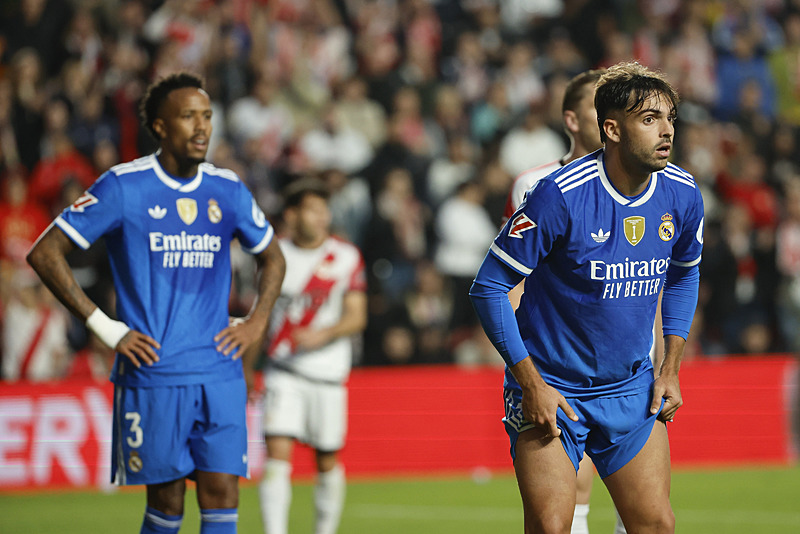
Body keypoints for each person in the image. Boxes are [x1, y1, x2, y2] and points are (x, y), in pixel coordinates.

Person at [26, 72, 286, 534]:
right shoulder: (124, 187)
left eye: (207, 116)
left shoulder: (227, 189)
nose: (202, 127)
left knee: (222, 495)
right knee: (167, 504)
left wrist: (256, 321)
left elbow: (273, 257)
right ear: (161, 127)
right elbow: (46, 253)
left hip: (219, 368)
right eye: (188, 117)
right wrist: (107, 328)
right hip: (154, 371)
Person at [469, 62, 704, 534]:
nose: (667, 131)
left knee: (656, 524)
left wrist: (670, 369)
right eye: (650, 119)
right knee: (552, 526)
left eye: (670, 118)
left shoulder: (682, 193)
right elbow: (488, 287)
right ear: (611, 129)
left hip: (630, 386)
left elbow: (684, 276)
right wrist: (531, 383)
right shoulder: (558, 195)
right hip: (554, 384)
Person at [503, 69, 609, 534]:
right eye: (597, 107)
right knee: (569, 489)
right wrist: (519, 354)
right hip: (559, 357)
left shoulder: (648, 180)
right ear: (571, 119)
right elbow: (510, 274)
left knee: (644, 505)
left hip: (629, 359)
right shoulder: (536, 184)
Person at [253, 178, 367, 534]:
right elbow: (260, 315)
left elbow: (357, 316)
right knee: (277, 454)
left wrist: (324, 333)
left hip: (328, 374)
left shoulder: (345, 256)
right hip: (283, 370)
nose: (322, 217)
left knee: (327, 458)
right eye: (313, 209)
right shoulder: (275, 255)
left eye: (324, 209)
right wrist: (248, 368)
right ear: (292, 214)